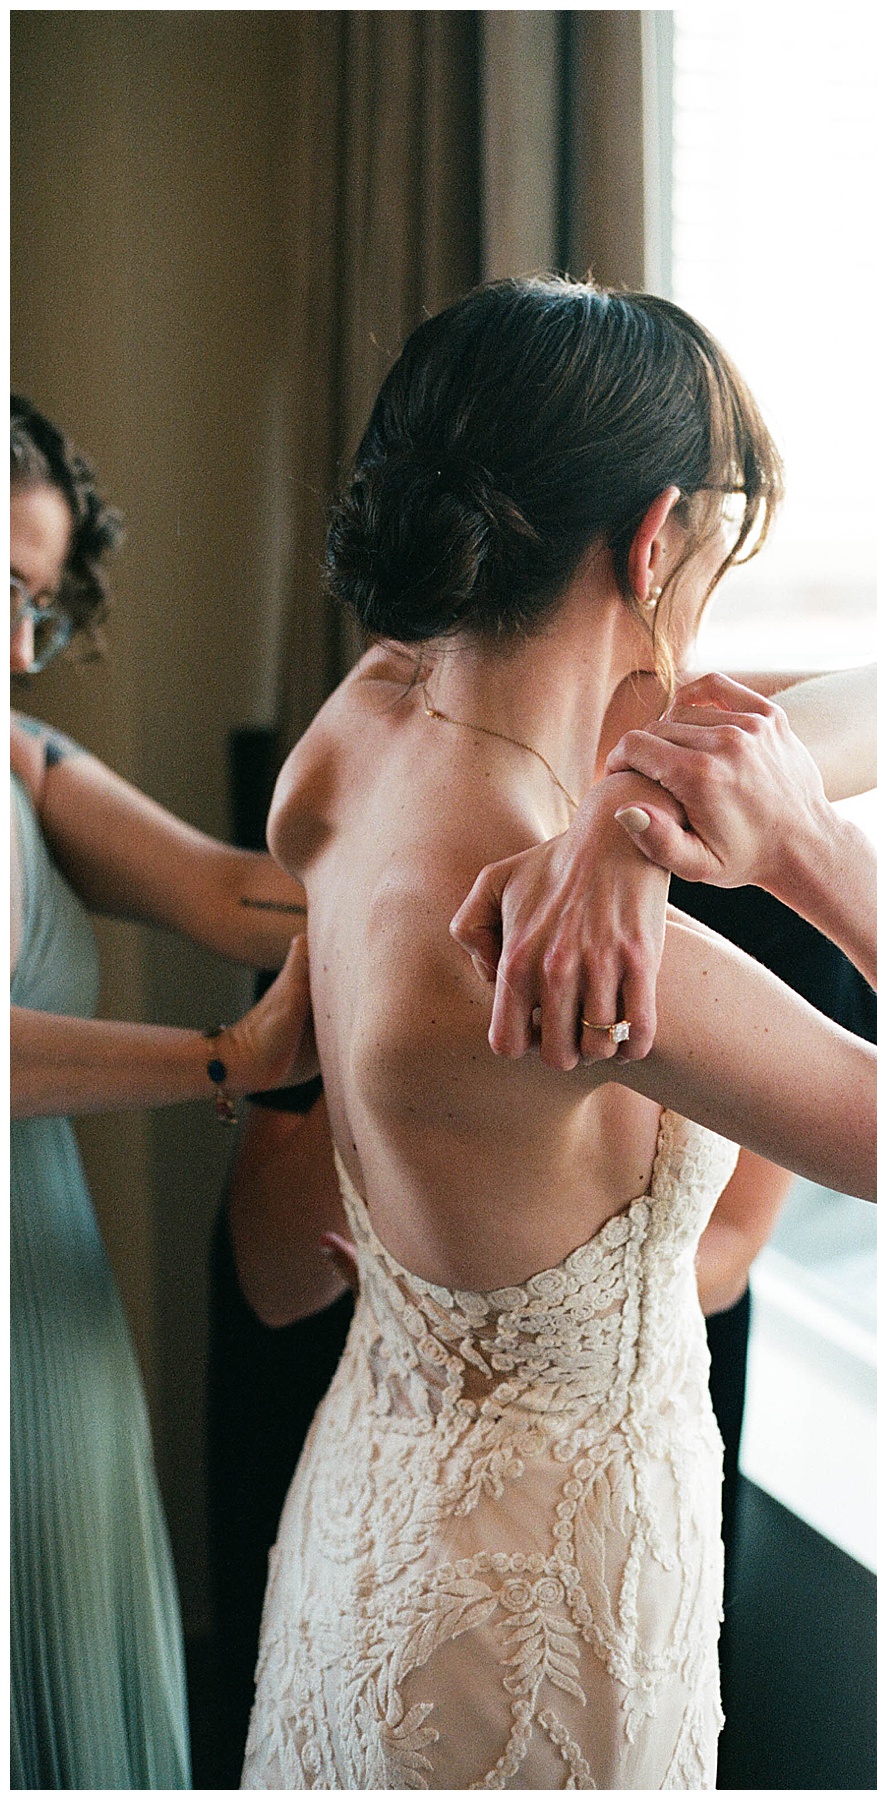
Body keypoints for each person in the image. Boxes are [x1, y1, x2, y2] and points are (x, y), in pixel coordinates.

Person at [239, 277, 877, 1791]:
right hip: (554, 1612)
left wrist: (628, 815)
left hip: (368, 1535)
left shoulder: (356, 738)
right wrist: (815, 857)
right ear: (658, 538)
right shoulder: (589, 972)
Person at [205, 678, 877, 1784]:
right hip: (387, 1458)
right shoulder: (375, 802)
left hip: (615, 1452)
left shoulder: (737, 841)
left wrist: (630, 824)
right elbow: (271, 1271)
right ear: (652, 547)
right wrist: (400, 1176)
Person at [9, 395, 318, 1790]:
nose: (23, 653)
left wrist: (480, 872)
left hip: (45, 1297)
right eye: (4, 596)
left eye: (44, 612)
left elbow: (229, 892)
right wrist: (227, 1063)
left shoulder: (20, 755)